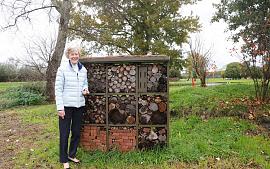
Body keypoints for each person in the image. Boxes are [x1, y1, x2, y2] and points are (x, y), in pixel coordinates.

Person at [55, 47, 89, 169]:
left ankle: (71, 154)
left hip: (79, 105)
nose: (74, 56)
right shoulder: (62, 69)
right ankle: (64, 160)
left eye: (76, 54)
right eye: (72, 54)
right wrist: (60, 108)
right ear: (68, 55)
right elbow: (58, 90)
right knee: (64, 133)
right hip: (66, 106)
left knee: (76, 132)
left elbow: (85, 83)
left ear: (79, 55)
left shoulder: (83, 69)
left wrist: (85, 89)